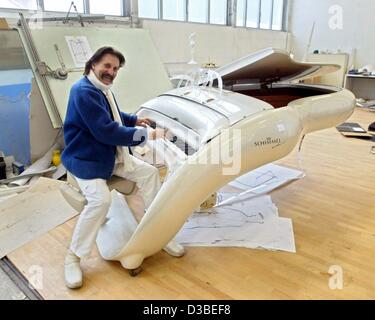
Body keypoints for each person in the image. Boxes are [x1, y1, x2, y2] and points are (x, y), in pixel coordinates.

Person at [61, 46, 184, 289]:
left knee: (149, 173)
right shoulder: (83, 92)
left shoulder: (101, 89)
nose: (111, 71)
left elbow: (113, 116)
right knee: (100, 201)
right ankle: (73, 257)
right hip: (86, 159)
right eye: (107, 66)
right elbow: (106, 130)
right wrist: (147, 134)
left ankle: (157, 233)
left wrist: (134, 119)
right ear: (93, 64)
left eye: (115, 68)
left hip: (108, 155)